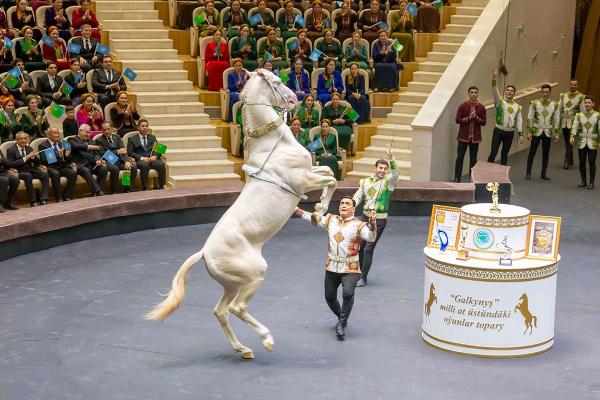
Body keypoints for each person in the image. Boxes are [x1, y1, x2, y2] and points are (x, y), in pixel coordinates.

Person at [294, 197, 377, 340]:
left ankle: (341, 324)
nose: (344, 206)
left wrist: (373, 224)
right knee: (329, 297)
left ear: (353, 209)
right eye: (342, 203)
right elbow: (311, 217)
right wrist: (295, 209)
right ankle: (341, 317)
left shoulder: (359, 225)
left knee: (348, 294)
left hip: (350, 267)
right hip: (332, 266)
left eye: (347, 204)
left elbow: (370, 238)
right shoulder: (330, 220)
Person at [353, 144, 398, 287]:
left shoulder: (389, 183)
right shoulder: (365, 181)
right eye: (380, 168)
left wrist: (391, 158)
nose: (383, 170)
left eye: (385, 169)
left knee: (368, 248)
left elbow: (396, 174)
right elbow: (358, 195)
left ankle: (363, 277)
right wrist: (352, 204)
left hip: (379, 220)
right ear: (375, 168)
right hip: (364, 218)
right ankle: (357, 272)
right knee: (359, 247)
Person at [487, 68, 523, 166]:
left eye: (512, 90)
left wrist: (520, 135)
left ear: (514, 93)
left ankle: (502, 176)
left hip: (510, 133)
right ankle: (486, 173)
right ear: (505, 91)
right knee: (493, 153)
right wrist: (494, 78)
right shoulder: (500, 101)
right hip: (498, 131)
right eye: (507, 90)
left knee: (504, 154)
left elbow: (519, 120)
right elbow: (494, 90)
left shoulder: (517, 106)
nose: (509, 92)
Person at [5, 131, 50, 206]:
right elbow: (10, 164)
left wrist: (34, 158)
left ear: (27, 140)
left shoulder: (29, 148)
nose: (23, 140)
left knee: (45, 174)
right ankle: (33, 201)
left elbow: (38, 162)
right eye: (20, 139)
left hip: (31, 169)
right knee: (27, 176)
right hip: (19, 171)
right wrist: (26, 158)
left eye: (24, 138)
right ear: (17, 140)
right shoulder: (11, 150)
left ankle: (43, 199)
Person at [525, 84, 560, 181]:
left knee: (546, 153)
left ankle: (543, 173)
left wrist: (556, 133)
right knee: (532, 152)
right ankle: (528, 173)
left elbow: (557, 119)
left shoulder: (555, 105)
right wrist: (529, 131)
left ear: (550, 92)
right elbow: (530, 117)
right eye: (543, 91)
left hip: (548, 132)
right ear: (541, 92)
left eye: (547, 92)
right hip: (536, 131)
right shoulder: (534, 103)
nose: (545, 93)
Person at [453, 86, 486, 182]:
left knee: (473, 159)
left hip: (475, 138)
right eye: (471, 92)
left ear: (477, 94)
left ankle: (471, 179)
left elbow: (484, 122)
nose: (473, 94)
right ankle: (457, 178)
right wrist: (468, 118)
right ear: (468, 94)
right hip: (463, 137)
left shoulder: (481, 107)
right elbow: (457, 120)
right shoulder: (463, 106)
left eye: (475, 92)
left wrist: (476, 118)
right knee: (460, 158)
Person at [96, 121, 137, 193]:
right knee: (115, 169)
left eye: (108, 129)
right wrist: (117, 152)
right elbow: (103, 154)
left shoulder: (117, 137)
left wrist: (126, 161)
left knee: (131, 167)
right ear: (102, 130)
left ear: (112, 129)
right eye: (104, 130)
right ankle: (114, 190)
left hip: (119, 160)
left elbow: (123, 151)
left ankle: (126, 188)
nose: (107, 131)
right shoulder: (99, 140)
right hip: (109, 161)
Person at [38, 127, 77, 201]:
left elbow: (68, 159)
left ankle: (67, 195)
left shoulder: (62, 143)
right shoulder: (43, 145)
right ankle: (59, 197)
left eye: (58, 133)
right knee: (56, 174)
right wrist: (57, 155)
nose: (57, 135)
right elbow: (44, 160)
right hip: (50, 167)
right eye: (54, 133)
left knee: (72, 173)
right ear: (49, 135)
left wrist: (67, 155)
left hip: (62, 166)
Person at [127, 119, 167, 190]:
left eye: (146, 126)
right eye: (142, 126)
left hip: (152, 159)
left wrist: (155, 156)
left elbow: (158, 150)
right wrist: (142, 158)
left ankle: (161, 186)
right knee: (144, 165)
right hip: (140, 160)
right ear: (138, 127)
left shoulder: (152, 137)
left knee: (161, 164)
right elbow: (130, 152)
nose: (145, 128)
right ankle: (145, 187)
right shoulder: (132, 139)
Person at [68, 123, 106, 196]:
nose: (88, 134)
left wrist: (98, 160)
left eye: (89, 132)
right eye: (87, 132)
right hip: (80, 165)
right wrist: (88, 147)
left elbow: (97, 153)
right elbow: (75, 146)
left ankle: (98, 190)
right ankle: (97, 192)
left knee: (103, 169)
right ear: (80, 131)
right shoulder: (72, 140)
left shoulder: (91, 141)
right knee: (86, 170)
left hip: (92, 163)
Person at [570, 96, 599, 189]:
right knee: (582, 162)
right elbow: (574, 126)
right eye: (585, 102)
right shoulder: (579, 115)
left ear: (593, 104)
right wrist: (572, 136)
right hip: (582, 142)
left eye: (589, 102)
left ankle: (591, 182)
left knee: (591, 162)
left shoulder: (597, 115)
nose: (587, 104)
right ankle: (583, 181)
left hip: (593, 143)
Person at [558, 79, 585, 169]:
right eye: (571, 84)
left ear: (577, 86)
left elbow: (582, 111)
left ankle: (566, 161)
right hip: (564, 122)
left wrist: (582, 124)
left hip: (574, 123)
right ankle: (571, 158)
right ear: (569, 85)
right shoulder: (563, 95)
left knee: (570, 141)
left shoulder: (581, 97)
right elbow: (559, 108)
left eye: (575, 85)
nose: (573, 86)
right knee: (567, 141)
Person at [0, 147, 20, 212]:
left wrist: (2, 159)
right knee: (4, 180)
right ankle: (0, 203)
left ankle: (7, 202)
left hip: (2, 172)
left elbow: (7, 164)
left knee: (15, 180)